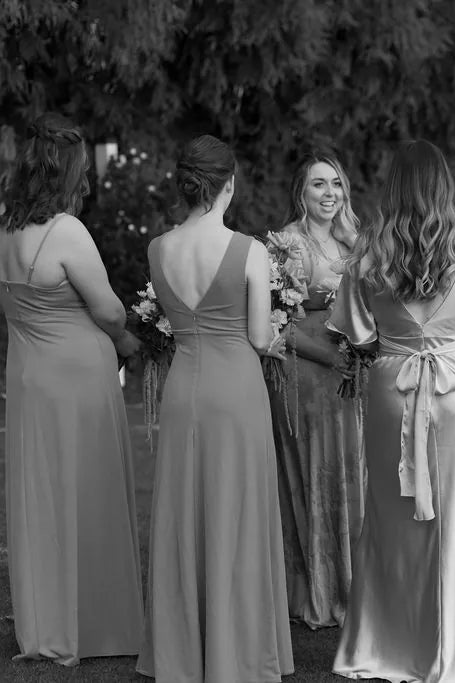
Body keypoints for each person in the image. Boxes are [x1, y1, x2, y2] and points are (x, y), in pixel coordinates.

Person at [329, 140, 455, 682]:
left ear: (393, 187)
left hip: (393, 386)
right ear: (444, 186)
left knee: (392, 517)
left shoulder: (368, 250)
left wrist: (404, 336)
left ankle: (386, 644)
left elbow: (358, 333)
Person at [136, 135, 294, 682]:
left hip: (184, 389)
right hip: (236, 392)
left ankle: (184, 651)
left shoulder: (158, 248)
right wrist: (282, 339)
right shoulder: (249, 250)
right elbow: (259, 336)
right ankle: (238, 650)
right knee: (239, 512)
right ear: (229, 184)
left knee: (186, 513)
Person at [0, 113, 144, 666]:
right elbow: (109, 311)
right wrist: (129, 340)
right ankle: (96, 623)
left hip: (29, 376)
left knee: (43, 494)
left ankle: (46, 623)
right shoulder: (66, 231)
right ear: (67, 172)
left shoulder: (5, 227)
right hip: (77, 378)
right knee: (89, 488)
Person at [269, 149, 366, 630]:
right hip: (306, 373)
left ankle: (358, 585)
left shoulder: (355, 239)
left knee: (353, 473)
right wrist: (329, 356)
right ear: (301, 193)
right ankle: (318, 589)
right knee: (315, 473)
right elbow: (274, 321)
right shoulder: (287, 243)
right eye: (318, 184)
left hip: (353, 373)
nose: (330, 193)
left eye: (336, 183)